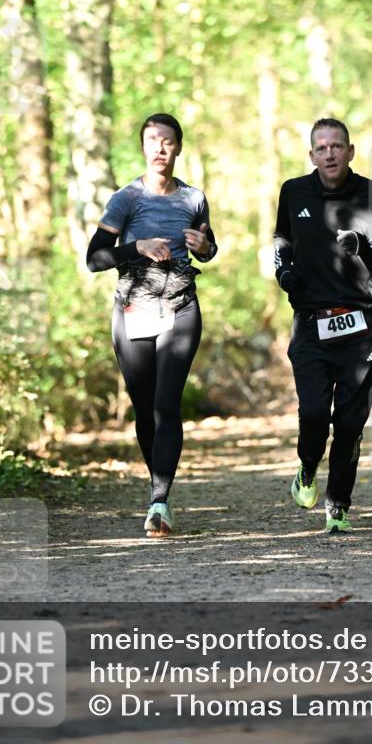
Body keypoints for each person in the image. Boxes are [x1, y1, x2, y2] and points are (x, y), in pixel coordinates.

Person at [86, 113, 217, 536]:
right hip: (134, 310)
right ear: (143, 147)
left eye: (167, 141)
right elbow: (95, 258)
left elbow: (207, 249)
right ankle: (157, 483)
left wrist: (207, 246)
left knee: (166, 404)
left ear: (178, 147)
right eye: (152, 141)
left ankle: (159, 500)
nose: (160, 148)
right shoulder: (126, 199)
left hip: (180, 307)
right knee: (145, 408)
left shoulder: (194, 198)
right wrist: (136, 246)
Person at [274, 117, 372, 534]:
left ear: (351, 151)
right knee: (313, 413)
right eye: (321, 147)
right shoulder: (294, 192)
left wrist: (364, 246)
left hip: (359, 324)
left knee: (349, 423)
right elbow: (282, 243)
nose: (329, 153)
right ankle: (307, 467)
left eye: (337, 146)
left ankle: (338, 504)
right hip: (310, 323)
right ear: (312, 154)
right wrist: (284, 273)